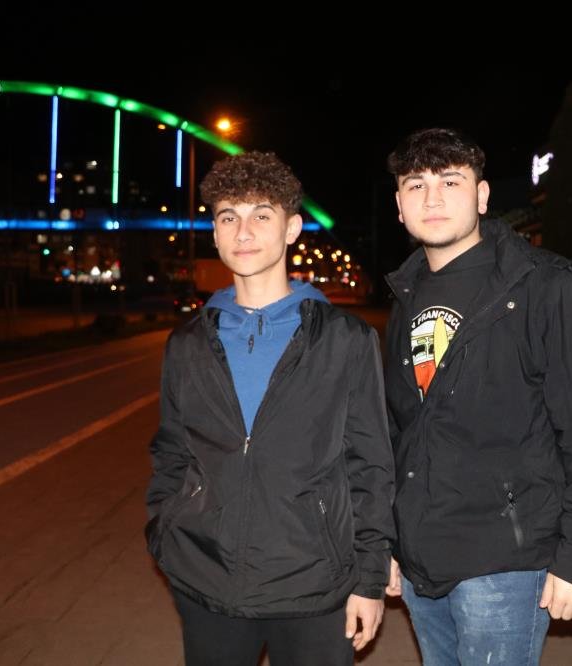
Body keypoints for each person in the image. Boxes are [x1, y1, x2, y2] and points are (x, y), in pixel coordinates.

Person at [382, 128, 572, 665]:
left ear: (482, 195)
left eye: (451, 181)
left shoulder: (543, 286)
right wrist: (388, 539)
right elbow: (399, 431)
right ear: (399, 206)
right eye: (416, 185)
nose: (433, 198)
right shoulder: (405, 292)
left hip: (505, 561)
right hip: (423, 553)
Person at [145, 151, 395, 666]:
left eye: (261, 215)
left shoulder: (345, 339)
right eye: (228, 217)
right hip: (207, 582)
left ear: (292, 228)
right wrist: (166, 536)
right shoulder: (187, 343)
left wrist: (369, 579)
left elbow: (371, 463)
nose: (243, 232)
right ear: (215, 234)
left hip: (315, 586)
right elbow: (171, 451)